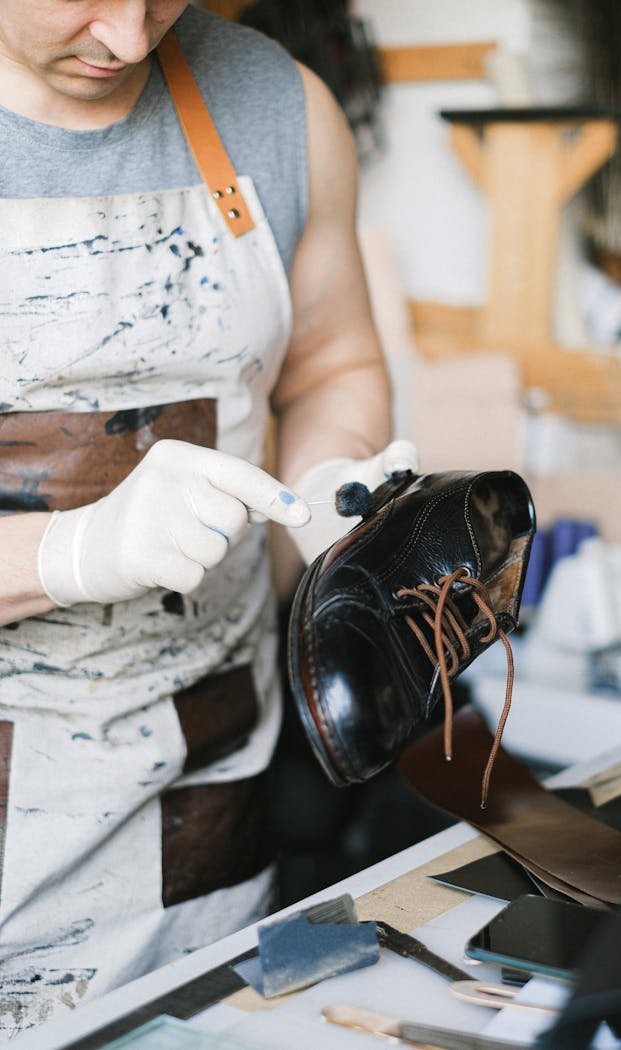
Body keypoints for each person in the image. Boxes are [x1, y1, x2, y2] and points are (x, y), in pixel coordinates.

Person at [0, 0, 416, 1036]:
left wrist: (327, 489)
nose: (131, 39)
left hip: (205, 857)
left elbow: (333, 362)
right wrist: (73, 549)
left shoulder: (275, 108)